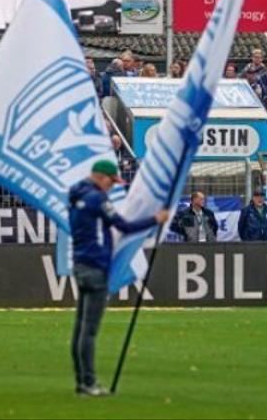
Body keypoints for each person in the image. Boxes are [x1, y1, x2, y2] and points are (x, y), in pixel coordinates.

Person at [68, 160, 169, 397]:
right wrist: (155, 219)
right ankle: (89, 383)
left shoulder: (76, 194)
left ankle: (81, 380)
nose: (112, 187)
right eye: (112, 182)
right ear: (102, 177)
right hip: (96, 267)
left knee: (80, 328)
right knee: (89, 331)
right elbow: (123, 226)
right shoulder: (97, 198)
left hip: (81, 264)